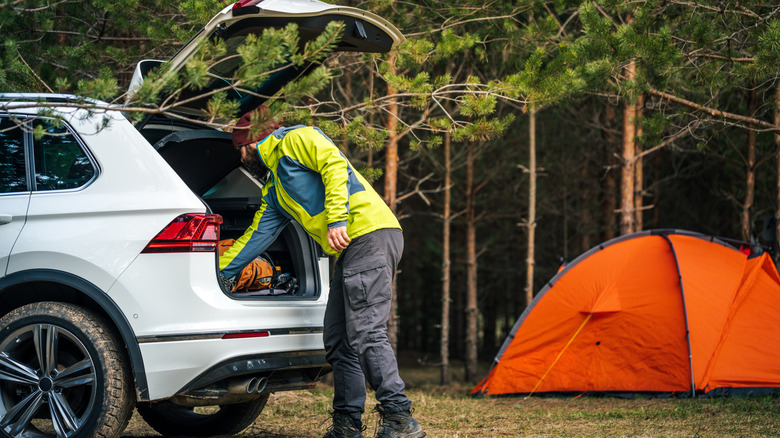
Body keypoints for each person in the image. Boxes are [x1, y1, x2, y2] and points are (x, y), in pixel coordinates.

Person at [219, 107, 425, 438]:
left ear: (250, 142)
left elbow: (334, 166)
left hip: (368, 233)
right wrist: (220, 272)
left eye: (239, 151)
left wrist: (337, 219)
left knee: (366, 331)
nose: (241, 160)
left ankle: (400, 418)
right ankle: (346, 424)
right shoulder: (276, 190)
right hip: (351, 246)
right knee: (338, 338)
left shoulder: (297, 138)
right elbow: (256, 237)